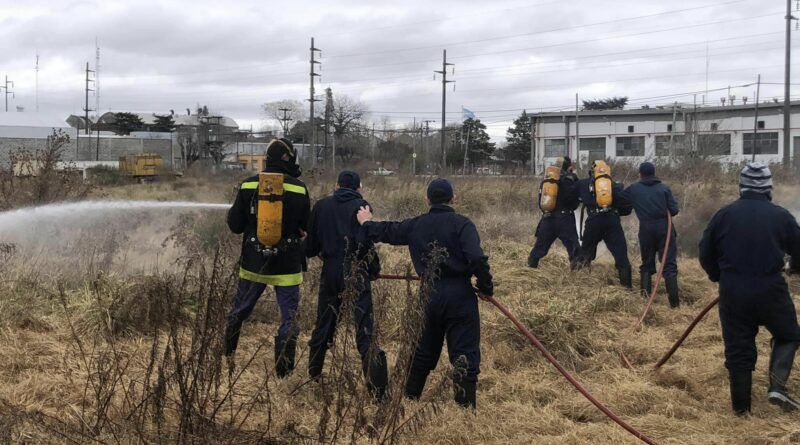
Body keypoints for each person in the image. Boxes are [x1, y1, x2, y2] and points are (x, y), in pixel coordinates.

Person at [356, 178, 493, 408]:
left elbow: (388, 231)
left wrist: (366, 223)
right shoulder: (463, 224)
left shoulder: (416, 225)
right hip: (460, 294)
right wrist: (486, 286)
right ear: (453, 199)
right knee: (464, 354)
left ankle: (410, 398)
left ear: (427, 200)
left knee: (423, 351)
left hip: (428, 294)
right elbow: (477, 258)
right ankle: (465, 409)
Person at [699, 162, 800, 415]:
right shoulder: (781, 216)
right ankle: (777, 387)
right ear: (768, 188)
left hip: (734, 291)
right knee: (788, 334)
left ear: (741, 187)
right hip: (771, 289)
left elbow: (705, 252)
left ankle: (741, 411)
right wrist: (794, 268)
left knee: (739, 350)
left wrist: (718, 276)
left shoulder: (724, 215)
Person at [224, 138, 311, 378]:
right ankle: (283, 372)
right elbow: (306, 226)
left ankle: (227, 355)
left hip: (254, 263)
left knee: (239, 310)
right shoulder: (299, 187)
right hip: (287, 265)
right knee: (289, 318)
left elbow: (235, 225)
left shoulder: (248, 184)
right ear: (286, 157)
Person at [305, 170, 388, 400]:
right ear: (358, 187)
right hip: (357, 271)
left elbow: (309, 248)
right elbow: (366, 242)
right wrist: (374, 269)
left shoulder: (321, 206)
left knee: (323, 322)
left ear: (337, 185)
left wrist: (322, 251)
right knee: (364, 327)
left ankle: (313, 372)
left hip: (330, 270)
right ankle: (376, 390)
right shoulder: (362, 207)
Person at [625, 162, 680, 307]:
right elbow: (674, 210)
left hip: (646, 229)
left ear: (640, 174)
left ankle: (644, 299)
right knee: (669, 265)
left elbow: (622, 201)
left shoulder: (634, 189)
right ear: (654, 173)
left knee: (647, 263)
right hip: (664, 228)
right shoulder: (664, 188)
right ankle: (675, 306)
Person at [573, 163, 634, 287]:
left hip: (593, 222)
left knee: (585, 254)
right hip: (612, 221)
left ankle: (580, 285)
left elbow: (571, 197)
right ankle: (627, 290)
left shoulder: (583, 184)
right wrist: (616, 212)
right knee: (621, 257)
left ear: (591, 173)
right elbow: (627, 206)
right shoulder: (615, 185)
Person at [527, 156, 580, 268]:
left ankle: (530, 269)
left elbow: (541, 202)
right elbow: (573, 201)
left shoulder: (546, 181)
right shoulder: (569, 180)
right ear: (569, 166)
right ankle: (577, 276)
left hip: (547, 219)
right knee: (574, 249)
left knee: (539, 248)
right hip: (565, 219)